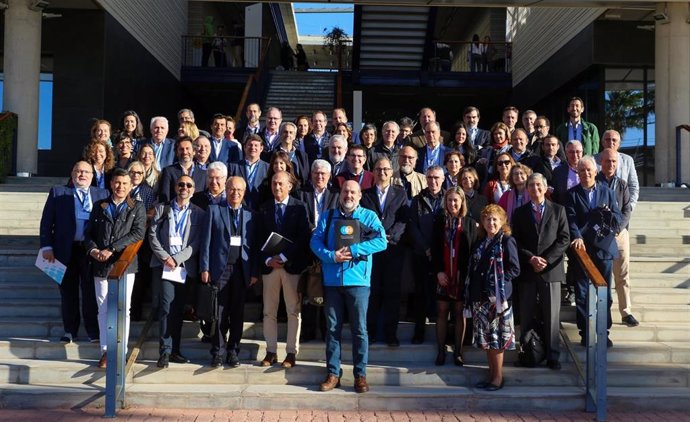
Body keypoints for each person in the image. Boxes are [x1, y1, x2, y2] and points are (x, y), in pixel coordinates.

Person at [310, 180, 387, 393]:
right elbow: (315, 242)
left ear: (360, 195)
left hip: (358, 282)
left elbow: (382, 242)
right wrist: (331, 256)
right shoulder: (328, 216)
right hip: (332, 281)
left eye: (353, 192)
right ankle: (333, 373)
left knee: (359, 330)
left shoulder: (369, 217)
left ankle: (360, 375)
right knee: (332, 329)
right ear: (340, 194)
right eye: (345, 191)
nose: (349, 195)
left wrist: (354, 250)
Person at [39, 161, 110, 344]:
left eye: (86, 172)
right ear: (72, 174)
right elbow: (46, 222)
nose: (82, 175)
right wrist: (46, 247)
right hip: (64, 250)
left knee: (90, 292)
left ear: (92, 176)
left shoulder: (102, 194)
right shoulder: (58, 192)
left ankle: (93, 332)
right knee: (67, 292)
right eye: (78, 171)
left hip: (90, 251)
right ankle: (70, 330)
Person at [84, 168, 146, 369]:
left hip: (124, 265)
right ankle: (105, 351)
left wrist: (111, 248)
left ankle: (121, 350)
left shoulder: (136, 207)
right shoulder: (99, 205)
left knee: (122, 309)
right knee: (103, 309)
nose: (120, 187)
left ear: (130, 186)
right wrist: (93, 250)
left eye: (125, 184)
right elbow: (89, 234)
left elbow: (137, 233)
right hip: (101, 264)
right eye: (117, 183)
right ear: (111, 184)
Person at [511, 173, 570, 370]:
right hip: (528, 271)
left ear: (545, 188)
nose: (535, 189)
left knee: (552, 315)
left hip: (551, 270)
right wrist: (531, 258)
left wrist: (546, 259)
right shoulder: (519, 213)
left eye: (538, 185)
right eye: (531, 186)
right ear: (527, 189)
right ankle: (528, 353)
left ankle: (553, 355)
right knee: (526, 314)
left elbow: (564, 238)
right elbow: (515, 241)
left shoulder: (559, 210)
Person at [200, 176, 260, 367]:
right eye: (232, 189)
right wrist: (205, 267)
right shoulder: (214, 210)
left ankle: (233, 351)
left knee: (237, 313)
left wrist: (254, 272)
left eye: (239, 190)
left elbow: (254, 247)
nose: (235, 193)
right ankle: (217, 351)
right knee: (218, 313)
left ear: (244, 193)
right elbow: (206, 242)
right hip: (220, 270)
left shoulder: (251, 215)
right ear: (226, 190)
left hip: (242, 270)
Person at [149, 175, 205, 368]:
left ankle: (175, 350)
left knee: (178, 309)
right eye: (181, 184)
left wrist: (178, 258)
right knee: (166, 307)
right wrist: (166, 257)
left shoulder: (199, 213)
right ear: (175, 187)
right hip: (165, 266)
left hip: (183, 268)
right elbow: (152, 235)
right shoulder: (162, 209)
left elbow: (196, 242)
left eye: (189, 185)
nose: (184, 187)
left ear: (194, 189)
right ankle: (164, 351)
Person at [565, 156, 622, 347]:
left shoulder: (607, 192)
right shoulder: (571, 194)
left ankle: (603, 332)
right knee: (581, 294)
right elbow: (570, 219)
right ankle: (585, 333)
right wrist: (577, 236)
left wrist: (610, 223)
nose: (586, 173)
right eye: (581, 171)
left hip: (603, 251)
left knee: (604, 294)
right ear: (577, 173)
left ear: (595, 171)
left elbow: (618, 216)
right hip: (582, 252)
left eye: (589, 170)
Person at [257, 171, 311, 368]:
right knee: (269, 311)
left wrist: (285, 256)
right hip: (271, 268)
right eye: (274, 183)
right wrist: (268, 259)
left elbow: (304, 236)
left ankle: (291, 352)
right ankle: (270, 351)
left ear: (289, 186)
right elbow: (257, 239)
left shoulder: (299, 206)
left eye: (281, 184)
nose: (277, 187)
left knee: (293, 311)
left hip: (291, 266)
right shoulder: (264, 208)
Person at [465, 204, 520, 391]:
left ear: (502, 221)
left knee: (496, 340)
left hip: (498, 298)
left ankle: (497, 378)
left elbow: (514, 268)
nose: (491, 222)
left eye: (495, 219)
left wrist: (497, 283)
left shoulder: (506, 241)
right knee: (486, 339)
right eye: (488, 219)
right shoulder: (480, 242)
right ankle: (490, 376)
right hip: (480, 297)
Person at [361, 157, 408, 347]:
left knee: (392, 294)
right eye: (379, 169)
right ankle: (370, 333)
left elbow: (403, 220)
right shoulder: (365, 195)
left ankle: (391, 334)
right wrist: (376, 239)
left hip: (393, 250)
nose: (382, 173)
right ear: (373, 172)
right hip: (372, 251)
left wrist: (391, 236)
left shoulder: (401, 193)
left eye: (386, 169)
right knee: (372, 293)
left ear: (391, 172)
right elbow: (361, 220)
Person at [431, 187, 478, 366]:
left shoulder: (469, 223)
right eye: (449, 200)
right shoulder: (439, 221)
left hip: (461, 276)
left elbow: (473, 250)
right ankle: (441, 350)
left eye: (456, 200)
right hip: (443, 273)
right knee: (442, 312)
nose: (452, 204)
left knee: (459, 313)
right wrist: (438, 272)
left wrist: (465, 276)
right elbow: (434, 249)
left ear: (462, 202)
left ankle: (458, 351)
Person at [595, 148, 638, 327]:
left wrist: (619, 228)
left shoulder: (622, 184)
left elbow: (627, 209)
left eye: (613, 162)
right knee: (602, 276)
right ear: (601, 163)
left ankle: (626, 312)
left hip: (620, 234)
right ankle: (603, 313)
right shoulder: (594, 182)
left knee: (622, 274)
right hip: (600, 235)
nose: (610, 165)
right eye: (607, 161)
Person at [407, 166, 445, 343]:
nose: (433, 181)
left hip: (443, 255)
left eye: (436, 178)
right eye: (429, 177)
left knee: (442, 295)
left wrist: (437, 250)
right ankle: (419, 331)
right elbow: (412, 226)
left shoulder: (449, 198)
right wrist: (426, 248)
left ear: (443, 179)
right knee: (421, 292)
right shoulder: (418, 199)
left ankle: (442, 334)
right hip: (422, 254)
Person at [158, 136, 208, 203]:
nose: (185, 152)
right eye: (181, 149)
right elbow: (164, 197)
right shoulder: (168, 171)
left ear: (194, 151)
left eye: (187, 148)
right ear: (177, 153)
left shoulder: (203, 174)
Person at [228, 135, 269, 211]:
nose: (253, 148)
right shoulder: (233, 166)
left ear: (261, 148)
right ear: (244, 147)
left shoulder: (268, 168)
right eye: (250, 145)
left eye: (256, 145)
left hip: (261, 211)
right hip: (239, 210)